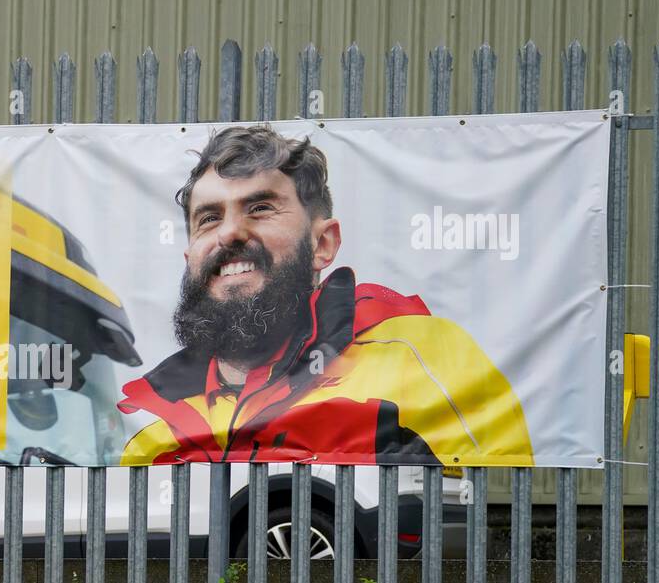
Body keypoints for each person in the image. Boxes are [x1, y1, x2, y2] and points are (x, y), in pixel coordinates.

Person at [117, 125, 533, 467]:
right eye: (209, 219)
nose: (229, 233)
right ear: (190, 256)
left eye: (260, 208)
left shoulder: (419, 356)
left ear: (323, 244)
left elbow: (487, 522)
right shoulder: (146, 413)